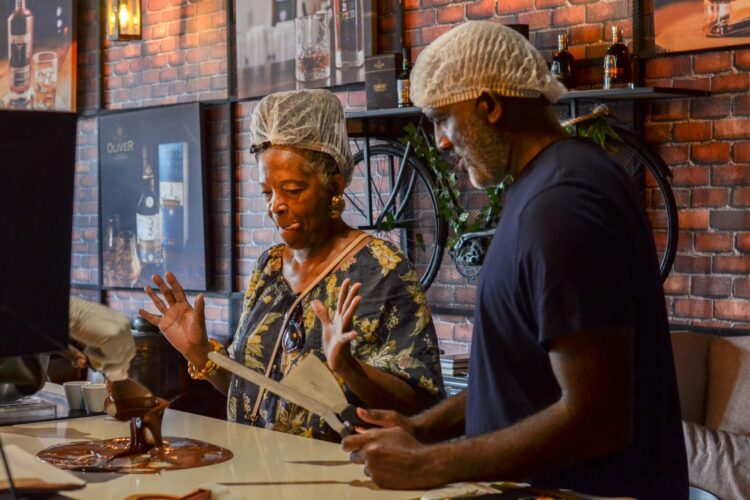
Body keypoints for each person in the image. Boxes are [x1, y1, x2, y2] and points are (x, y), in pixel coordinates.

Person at [341, 21, 688, 499]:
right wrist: (421, 429)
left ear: (489, 105)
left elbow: (598, 419)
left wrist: (429, 465)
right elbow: (520, 378)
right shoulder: (549, 184)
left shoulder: (562, 205)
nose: (440, 142)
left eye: (443, 118)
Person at [140, 89, 444, 441]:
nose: (276, 206)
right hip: (255, 475)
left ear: (335, 186)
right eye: (268, 192)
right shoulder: (268, 269)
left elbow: (419, 406)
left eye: (293, 189)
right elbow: (249, 392)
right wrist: (202, 354)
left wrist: (349, 368)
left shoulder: (381, 269)